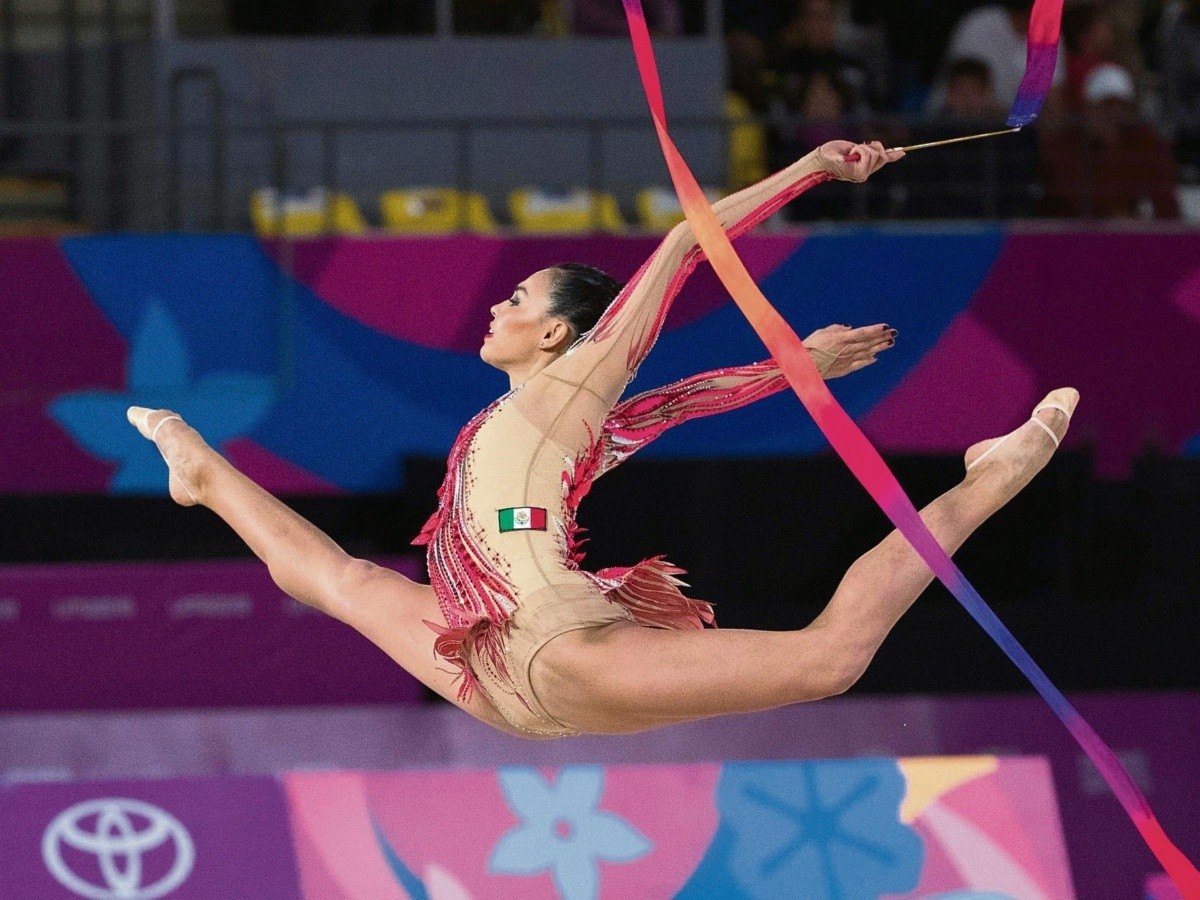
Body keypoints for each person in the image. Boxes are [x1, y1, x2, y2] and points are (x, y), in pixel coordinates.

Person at [128, 140, 1077, 738]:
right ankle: (203, 469)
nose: (496, 307)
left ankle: (992, 476)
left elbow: (684, 246)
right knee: (349, 583)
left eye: (517, 300)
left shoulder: (575, 383)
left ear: (556, 335)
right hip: (493, 668)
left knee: (828, 660)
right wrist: (797, 367)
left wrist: (810, 170)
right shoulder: (552, 423)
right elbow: (679, 406)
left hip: (552, 655)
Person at [1040, 63, 1180, 219]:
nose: (1114, 115)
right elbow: (1059, 207)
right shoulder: (1066, 147)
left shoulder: (1148, 146)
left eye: (1120, 107)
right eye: (1105, 106)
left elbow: (1166, 208)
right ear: (1087, 109)